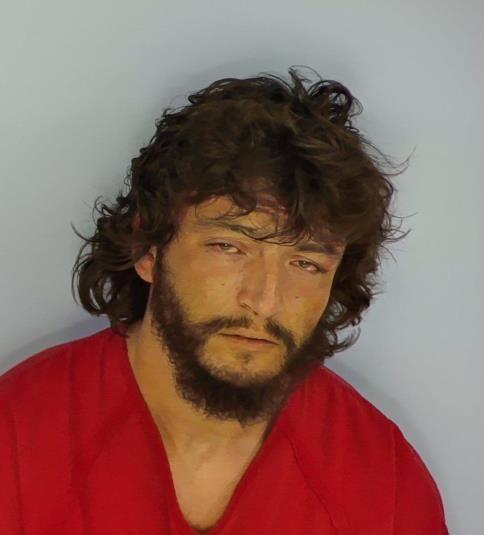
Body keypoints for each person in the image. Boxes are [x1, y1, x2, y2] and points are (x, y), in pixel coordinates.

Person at [0, 66, 450, 534]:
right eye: (229, 248)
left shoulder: (384, 482)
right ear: (148, 250)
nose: (265, 301)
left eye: (305, 263)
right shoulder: (13, 441)